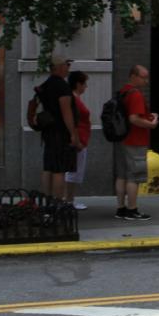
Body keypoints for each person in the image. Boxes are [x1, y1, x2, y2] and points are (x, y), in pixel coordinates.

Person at [114, 64, 158, 221]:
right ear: (133, 76)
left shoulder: (122, 92)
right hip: (135, 140)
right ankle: (132, 210)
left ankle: (120, 208)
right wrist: (151, 123)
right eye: (143, 77)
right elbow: (134, 118)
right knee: (134, 176)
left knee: (121, 175)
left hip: (122, 139)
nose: (146, 81)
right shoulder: (136, 95)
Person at [37, 55, 80, 201]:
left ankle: (46, 201)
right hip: (60, 132)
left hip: (48, 131)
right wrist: (73, 133)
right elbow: (66, 112)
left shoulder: (45, 85)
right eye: (67, 65)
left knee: (48, 167)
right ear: (60, 67)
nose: (68, 68)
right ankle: (57, 203)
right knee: (59, 170)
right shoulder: (62, 86)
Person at [64, 70, 90, 211]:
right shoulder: (74, 100)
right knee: (73, 172)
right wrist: (77, 141)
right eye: (84, 83)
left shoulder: (75, 99)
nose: (86, 86)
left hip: (81, 139)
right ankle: (68, 200)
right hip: (78, 141)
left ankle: (69, 200)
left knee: (74, 172)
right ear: (78, 84)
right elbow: (74, 121)